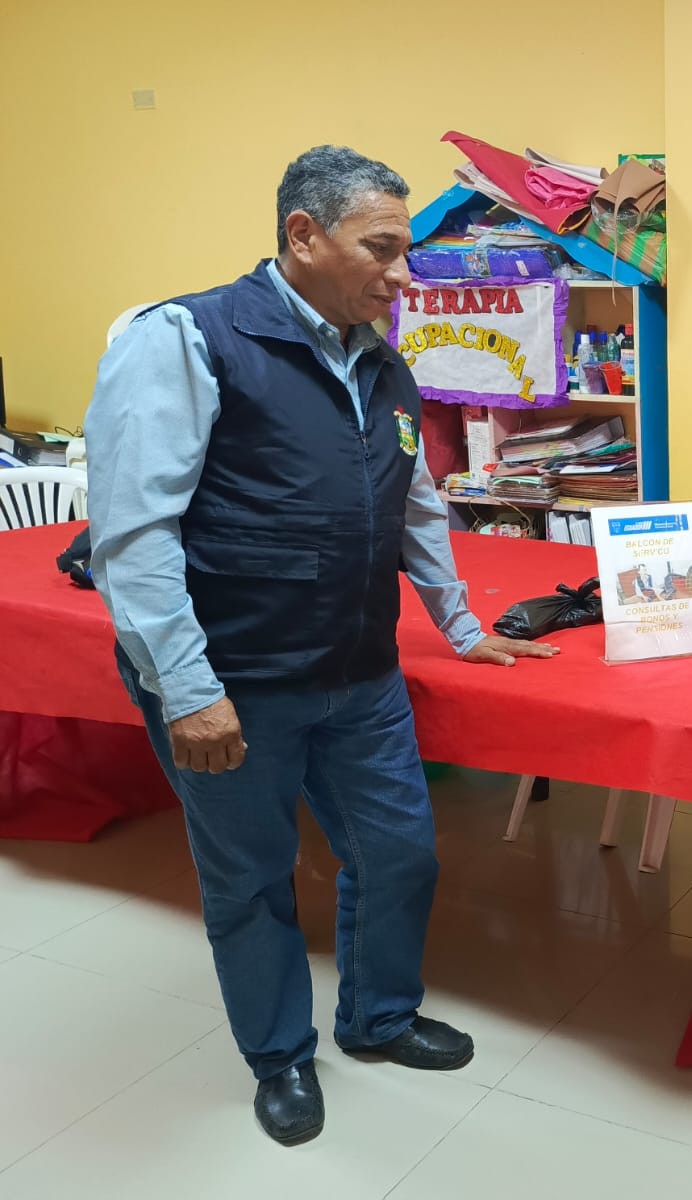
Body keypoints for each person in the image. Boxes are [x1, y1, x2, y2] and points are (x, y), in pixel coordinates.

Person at [84, 146, 559, 1146]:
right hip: (235, 681)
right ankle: (280, 1057)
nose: (402, 275)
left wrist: (462, 626)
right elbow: (133, 533)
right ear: (303, 235)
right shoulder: (189, 338)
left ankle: (378, 1018)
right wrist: (186, 689)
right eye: (381, 249)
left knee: (399, 854)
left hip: (359, 674)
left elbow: (414, 506)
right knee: (252, 881)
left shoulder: (383, 363)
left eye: (405, 252)